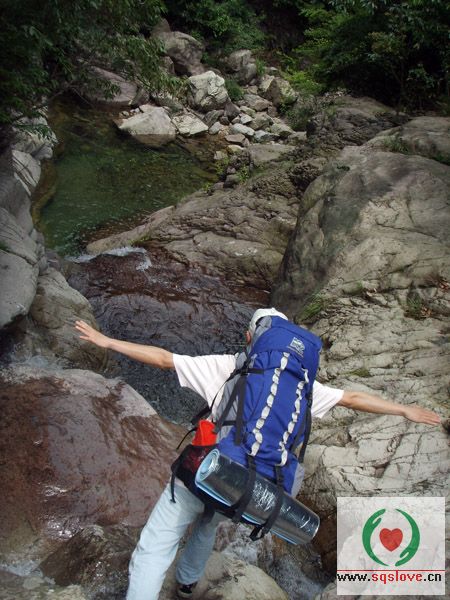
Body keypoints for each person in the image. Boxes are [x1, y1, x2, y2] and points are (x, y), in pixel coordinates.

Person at [75, 308, 441, 600]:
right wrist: (403, 409)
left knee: (156, 546)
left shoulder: (227, 366)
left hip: (207, 470)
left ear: (251, 337)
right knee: (209, 522)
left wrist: (107, 341)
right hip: (249, 483)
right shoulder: (301, 385)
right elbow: (353, 398)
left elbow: (164, 359)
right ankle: (187, 583)